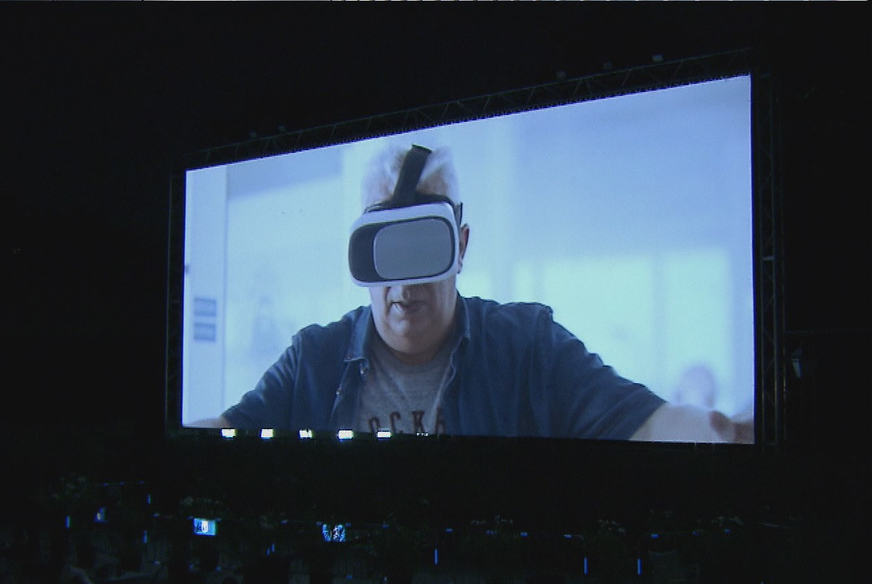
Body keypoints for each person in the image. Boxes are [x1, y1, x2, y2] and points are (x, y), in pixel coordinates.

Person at [193, 142, 752, 443]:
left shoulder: (528, 347)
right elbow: (223, 434)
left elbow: (644, 423)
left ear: (460, 246)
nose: (404, 286)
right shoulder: (312, 360)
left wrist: (720, 434)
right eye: (389, 253)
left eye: (425, 250)